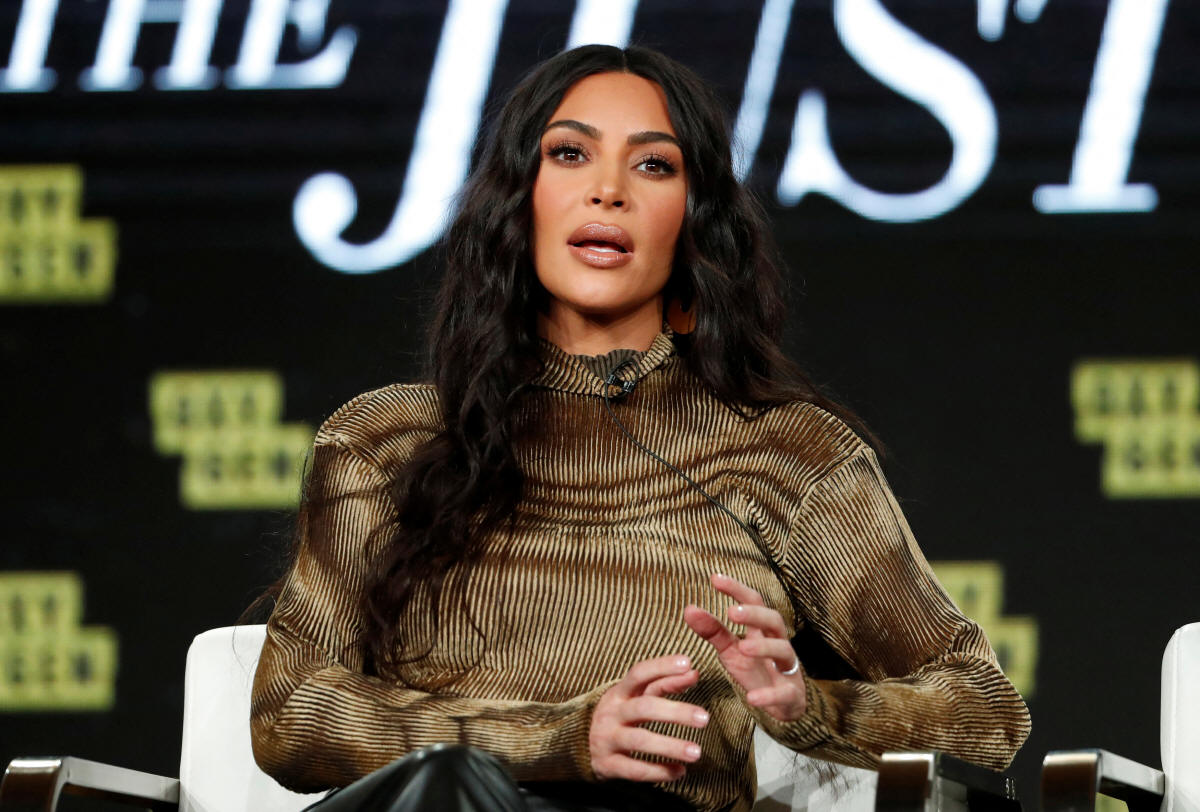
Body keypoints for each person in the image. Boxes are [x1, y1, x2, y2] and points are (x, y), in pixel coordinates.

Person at [250, 44, 1030, 812]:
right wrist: (561, 739)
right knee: (449, 791)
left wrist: (809, 704)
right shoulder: (387, 441)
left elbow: (986, 709)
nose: (608, 191)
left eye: (654, 165)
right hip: (432, 802)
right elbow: (288, 713)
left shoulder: (787, 453)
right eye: (569, 154)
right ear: (517, 196)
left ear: (695, 219)